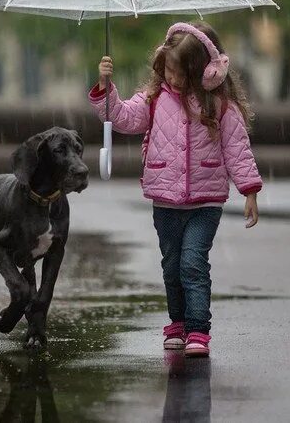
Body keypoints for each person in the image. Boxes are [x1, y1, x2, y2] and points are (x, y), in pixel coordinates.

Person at [88, 21, 261, 358]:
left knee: (193, 263)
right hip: (165, 201)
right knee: (171, 265)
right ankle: (177, 323)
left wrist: (249, 190)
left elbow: (237, 149)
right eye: (166, 69)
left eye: (178, 71)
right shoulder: (154, 99)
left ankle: (198, 329)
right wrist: (105, 88)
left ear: (202, 71)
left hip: (204, 203)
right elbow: (122, 117)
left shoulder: (219, 106)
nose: (171, 77)